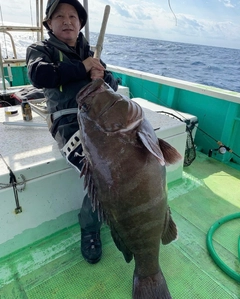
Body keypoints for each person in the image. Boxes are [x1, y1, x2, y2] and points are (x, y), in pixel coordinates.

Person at [26, 0, 118, 264]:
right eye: (60, 16)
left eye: (73, 17)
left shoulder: (90, 53)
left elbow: (113, 84)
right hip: (67, 123)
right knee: (101, 172)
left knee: (134, 156)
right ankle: (90, 228)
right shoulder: (40, 49)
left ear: (80, 25)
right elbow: (39, 76)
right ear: (49, 24)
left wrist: (103, 76)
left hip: (98, 120)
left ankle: (125, 212)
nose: (67, 21)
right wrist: (82, 67)